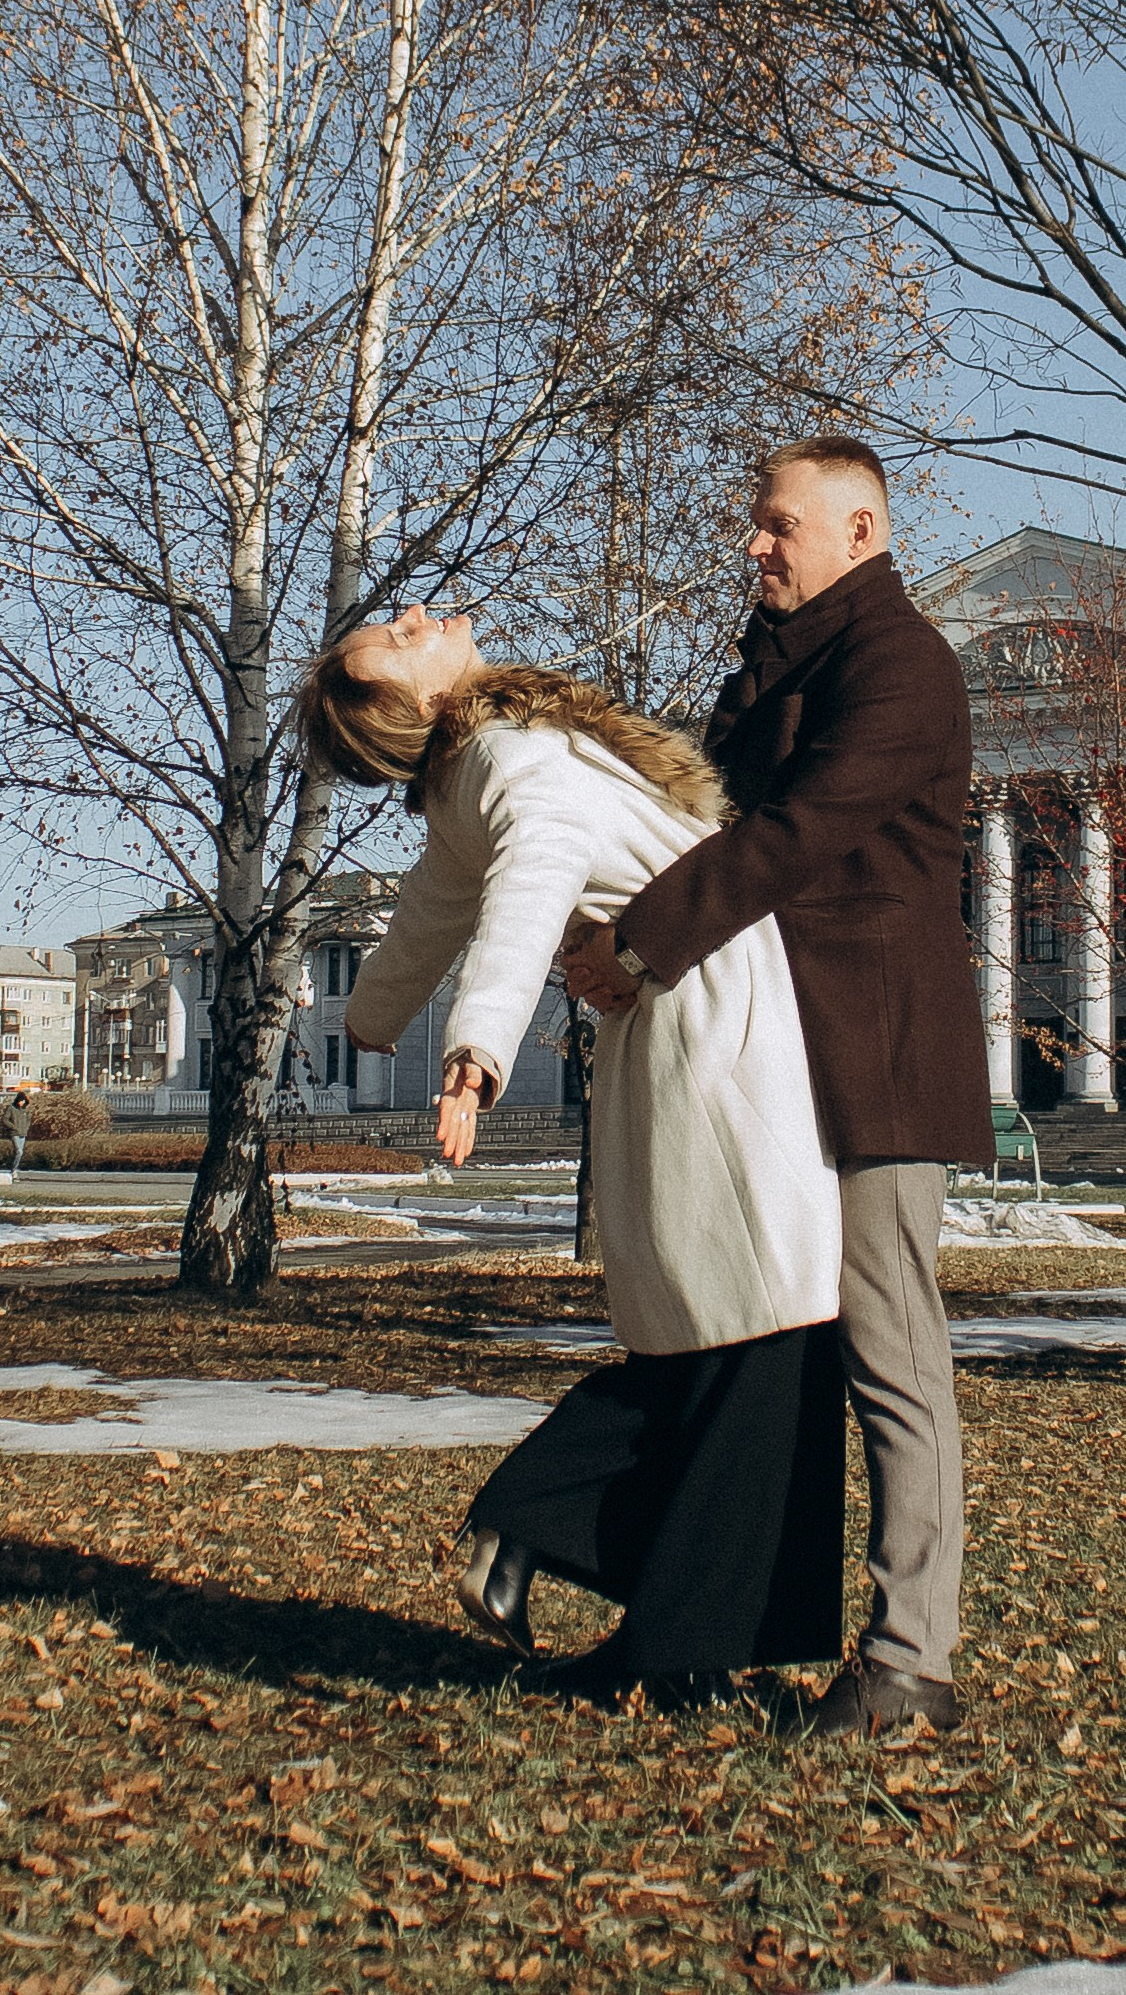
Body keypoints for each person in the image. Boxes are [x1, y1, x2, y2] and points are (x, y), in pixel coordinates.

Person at [301, 606, 845, 1704]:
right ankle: (543, 1522)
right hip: (719, 1021)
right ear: (423, 705)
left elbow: (429, 913)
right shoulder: (508, 753)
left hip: (671, 1019)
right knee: (769, 1330)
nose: (413, 617)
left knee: (720, 1333)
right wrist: (476, 1045)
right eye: (396, 643)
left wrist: (371, 1017)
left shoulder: (468, 774)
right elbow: (529, 882)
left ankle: (672, 1640)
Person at [564, 435, 989, 1736]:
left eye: (778, 525)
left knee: (886, 1354)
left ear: (861, 531)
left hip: (867, 1060)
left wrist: (633, 945)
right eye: (754, 523)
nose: (754, 543)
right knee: (740, 1346)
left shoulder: (901, 663)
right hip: (764, 1063)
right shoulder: (778, 659)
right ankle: (689, 1633)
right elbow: (701, 826)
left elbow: (790, 838)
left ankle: (911, 1658)